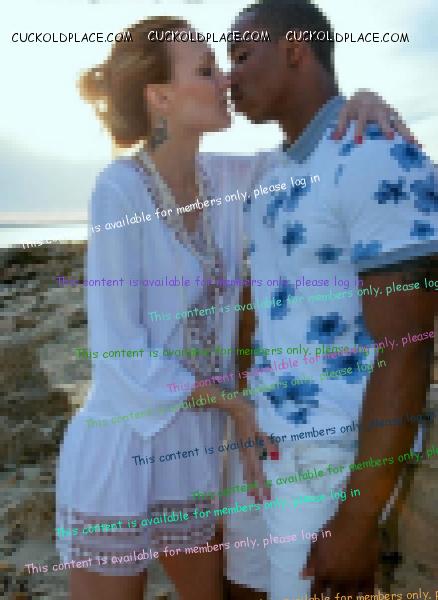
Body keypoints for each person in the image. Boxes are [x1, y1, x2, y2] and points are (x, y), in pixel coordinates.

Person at [55, 13, 415, 600]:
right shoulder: (118, 190)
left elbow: (312, 146)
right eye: (206, 70)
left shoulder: (233, 179)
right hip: (124, 446)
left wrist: (364, 101)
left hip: (197, 451)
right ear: (160, 97)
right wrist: (235, 405)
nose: (225, 79)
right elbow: (118, 354)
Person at [221, 1, 438, 598]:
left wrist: (359, 516)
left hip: (329, 455)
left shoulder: (376, 155)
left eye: (242, 56)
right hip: (263, 443)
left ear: (294, 49)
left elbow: (408, 347)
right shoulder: (270, 173)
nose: (229, 77)